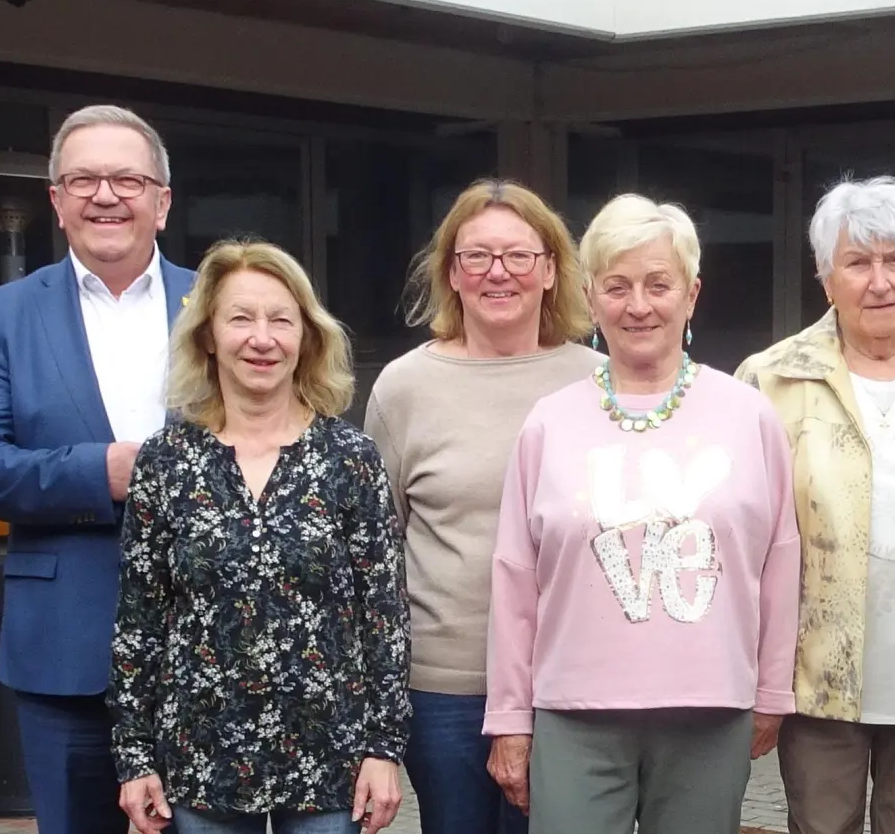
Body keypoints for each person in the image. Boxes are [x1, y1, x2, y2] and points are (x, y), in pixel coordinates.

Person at [484, 194, 801, 834]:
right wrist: (511, 718)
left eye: (659, 284)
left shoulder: (748, 415)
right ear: (591, 296)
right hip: (575, 713)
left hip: (710, 710)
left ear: (692, 294)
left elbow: (780, 560)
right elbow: (515, 576)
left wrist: (771, 693)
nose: (638, 305)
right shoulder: (550, 420)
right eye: (617, 285)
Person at [108, 240, 410, 834]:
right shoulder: (167, 461)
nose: (262, 338)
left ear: (307, 336)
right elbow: (139, 619)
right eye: (240, 318)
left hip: (331, 760)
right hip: (198, 761)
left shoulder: (350, 459)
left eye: (281, 319)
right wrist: (134, 756)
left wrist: (385, 747)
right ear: (207, 337)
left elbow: (383, 616)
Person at [0, 105, 196, 834]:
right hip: (66, 645)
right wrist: (102, 472)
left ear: (162, 200)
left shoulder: (223, 303)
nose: (105, 195)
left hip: (215, 639)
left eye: (127, 178)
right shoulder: (0, 316)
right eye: (83, 179)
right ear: (56, 202)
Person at [364, 180, 598, 834]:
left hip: (567, 684)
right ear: (451, 274)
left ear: (552, 271)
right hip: (443, 688)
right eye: (478, 257)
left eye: (520, 256)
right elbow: (380, 550)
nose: (499, 273)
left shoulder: (597, 384)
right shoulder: (404, 387)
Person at [736, 177, 895, 834]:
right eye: (858, 262)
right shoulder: (771, 378)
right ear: (823, 274)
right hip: (816, 679)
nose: (880, 281)